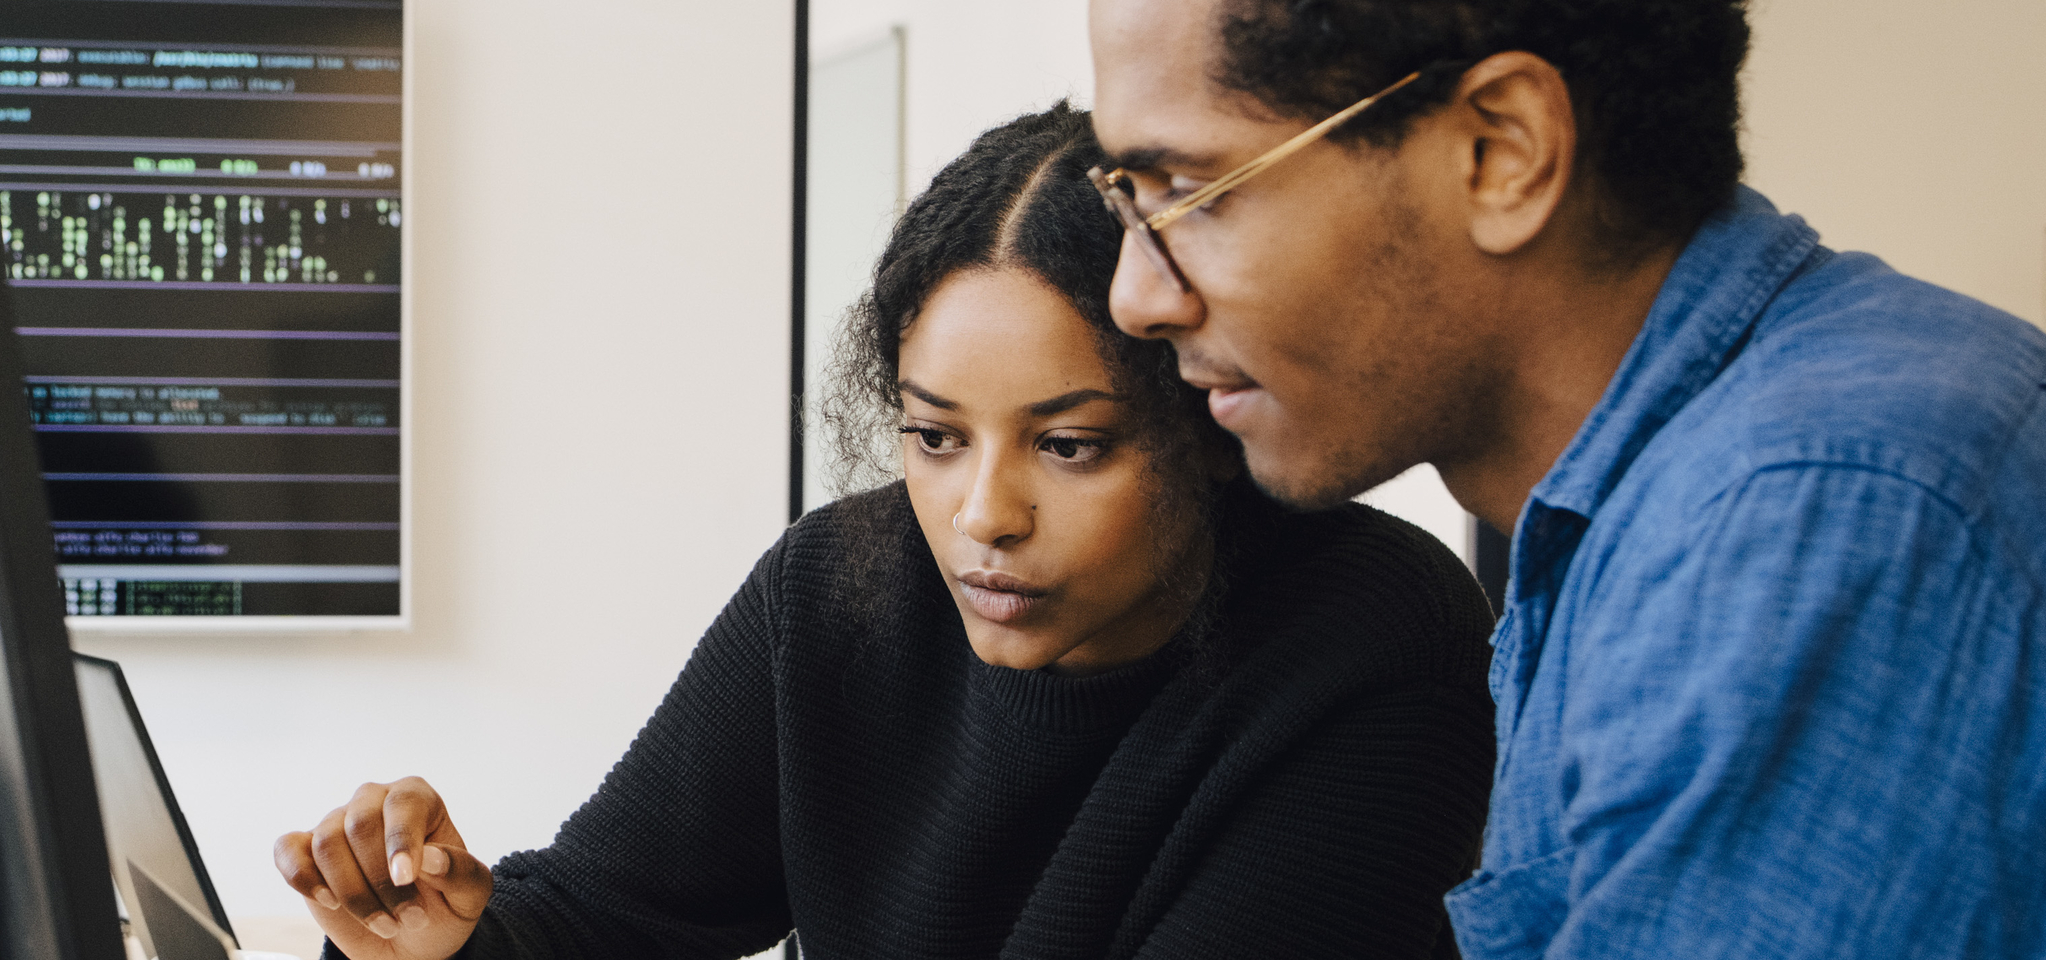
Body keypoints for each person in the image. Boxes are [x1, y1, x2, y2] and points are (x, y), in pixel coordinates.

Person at [1080, 0, 2046, 955]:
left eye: (1191, 191)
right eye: (1127, 199)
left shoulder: (1817, 517)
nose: (1138, 294)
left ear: (1500, 151)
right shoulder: (1644, 493)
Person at [271, 105, 1495, 960]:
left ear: (1204, 429)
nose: (982, 517)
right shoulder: (838, 590)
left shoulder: (1371, 642)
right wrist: (456, 940)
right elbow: (613, 910)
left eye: (1067, 447)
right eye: (934, 436)